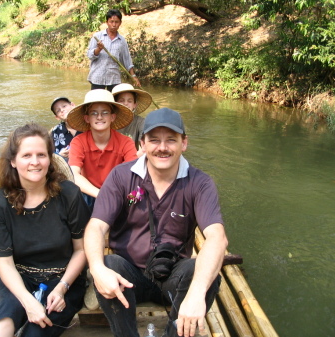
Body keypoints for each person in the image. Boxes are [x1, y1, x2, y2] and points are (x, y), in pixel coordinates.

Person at [84, 108, 228, 337]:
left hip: (174, 277)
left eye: (171, 140)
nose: (162, 147)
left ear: (184, 143)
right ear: (142, 144)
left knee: (206, 275)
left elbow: (217, 237)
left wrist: (197, 292)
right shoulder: (121, 176)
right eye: (154, 140)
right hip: (130, 277)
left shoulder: (200, 183)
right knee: (108, 264)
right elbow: (96, 226)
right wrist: (97, 269)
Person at [0, 123, 91, 337]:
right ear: (13, 161)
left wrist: (62, 288)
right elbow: (4, 262)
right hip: (19, 277)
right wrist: (28, 301)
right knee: (2, 326)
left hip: (64, 278)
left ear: (50, 159)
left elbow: (81, 250)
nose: (35, 162)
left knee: (35, 333)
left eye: (41, 155)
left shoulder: (69, 194)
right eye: (27, 156)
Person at [67, 89, 137, 208]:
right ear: (87, 118)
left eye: (105, 112)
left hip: (117, 192)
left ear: (112, 117)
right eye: (94, 113)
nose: (99, 117)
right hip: (88, 193)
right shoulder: (78, 141)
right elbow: (73, 175)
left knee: (138, 193)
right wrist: (101, 195)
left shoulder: (126, 142)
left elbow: (133, 175)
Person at [87, 9, 141, 91]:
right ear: (107, 22)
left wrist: (133, 76)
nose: (114, 25)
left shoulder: (122, 41)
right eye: (111, 22)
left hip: (113, 78)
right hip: (97, 77)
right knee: (96, 102)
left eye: (116, 22)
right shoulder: (97, 37)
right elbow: (90, 55)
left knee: (113, 102)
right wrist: (98, 49)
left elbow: (127, 60)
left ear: (120, 23)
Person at [112, 83, 153, 155]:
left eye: (129, 101)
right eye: (121, 100)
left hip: (133, 159)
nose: (125, 104)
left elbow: (145, 147)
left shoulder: (140, 122)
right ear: (115, 104)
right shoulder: (108, 121)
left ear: (134, 105)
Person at [49, 97, 82, 161]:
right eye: (58, 110)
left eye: (64, 106)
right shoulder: (54, 132)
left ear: (73, 105)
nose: (62, 110)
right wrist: (59, 156)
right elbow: (49, 155)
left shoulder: (88, 124)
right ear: (57, 117)